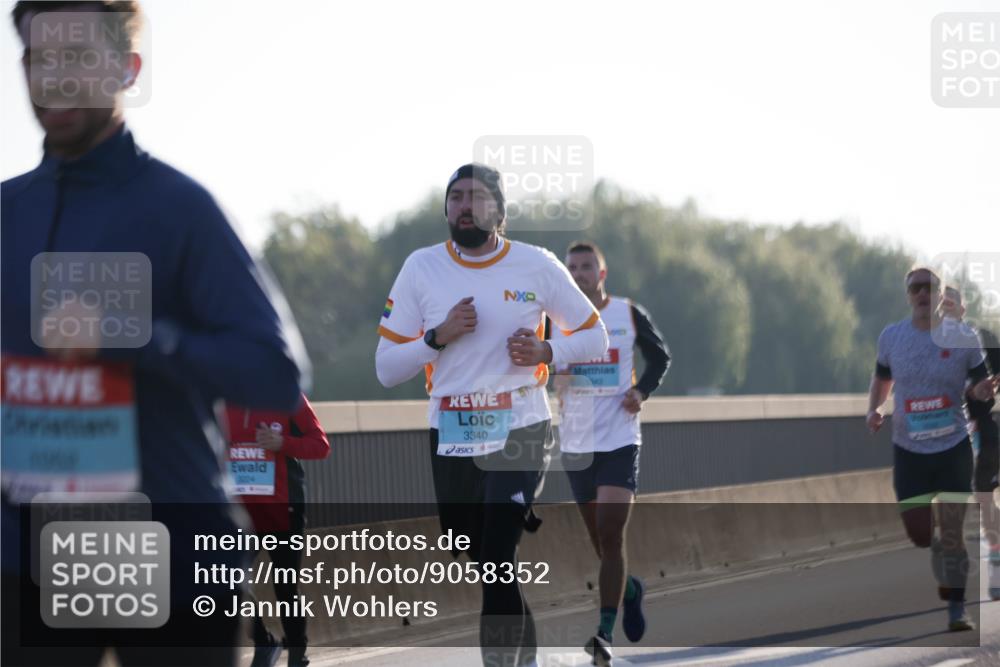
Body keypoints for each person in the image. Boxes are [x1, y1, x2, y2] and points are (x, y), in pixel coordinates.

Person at [1, 2, 309, 665]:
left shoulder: (180, 208)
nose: (55, 79)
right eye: (40, 60)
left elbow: (276, 374)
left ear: (127, 67)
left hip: (171, 545)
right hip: (24, 553)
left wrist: (132, 336)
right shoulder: (5, 214)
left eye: (78, 57)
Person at [375, 163, 608, 667]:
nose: (464, 205)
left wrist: (547, 352)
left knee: (498, 558)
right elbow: (386, 368)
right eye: (455, 196)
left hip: (519, 425)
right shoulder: (421, 268)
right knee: (488, 566)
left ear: (498, 212)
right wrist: (437, 337)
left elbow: (595, 337)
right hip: (452, 432)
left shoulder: (536, 264)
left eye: (477, 197)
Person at [551, 241, 670, 665]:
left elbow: (660, 358)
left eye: (587, 267)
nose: (579, 273)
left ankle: (603, 633)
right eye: (573, 268)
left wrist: (641, 391)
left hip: (620, 437)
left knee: (610, 530)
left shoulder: (627, 312)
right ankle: (632, 591)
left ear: (602, 274)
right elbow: (538, 364)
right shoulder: (556, 320)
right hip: (577, 443)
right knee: (599, 540)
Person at [866, 267, 997, 632]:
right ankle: (937, 545)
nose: (922, 293)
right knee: (921, 535)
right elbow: (883, 378)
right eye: (915, 288)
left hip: (953, 447)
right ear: (908, 295)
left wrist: (981, 391)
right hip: (909, 450)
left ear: (940, 294)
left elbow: (976, 386)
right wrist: (876, 408)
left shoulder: (962, 338)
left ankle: (957, 608)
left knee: (953, 529)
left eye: (929, 287)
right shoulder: (892, 337)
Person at [225, 394, 330, 667]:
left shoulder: (289, 397)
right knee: (225, 580)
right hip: (239, 512)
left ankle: (297, 653)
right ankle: (265, 642)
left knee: (285, 585)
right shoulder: (218, 399)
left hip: (283, 508)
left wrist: (283, 443)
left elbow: (321, 446)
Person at [941, 286, 1000, 600]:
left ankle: (997, 562)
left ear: (963, 308)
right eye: (942, 305)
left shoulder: (983, 337)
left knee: (984, 500)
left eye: (951, 303)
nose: (946, 309)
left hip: (983, 434)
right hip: (948, 438)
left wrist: (984, 388)